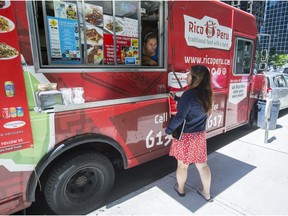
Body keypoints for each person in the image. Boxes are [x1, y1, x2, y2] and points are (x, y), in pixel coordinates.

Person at [165, 65, 214, 202]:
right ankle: (206, 193)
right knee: (202, 165)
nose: (186, 76)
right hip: (199, 136)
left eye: (189, 74)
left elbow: (180, 117)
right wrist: (177, 99)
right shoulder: (207, 93)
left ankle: (180, 189)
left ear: (195, 78)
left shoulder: (189, 94)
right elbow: (195, 107)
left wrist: (168, 131)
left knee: (182, 165)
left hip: (185, 136)